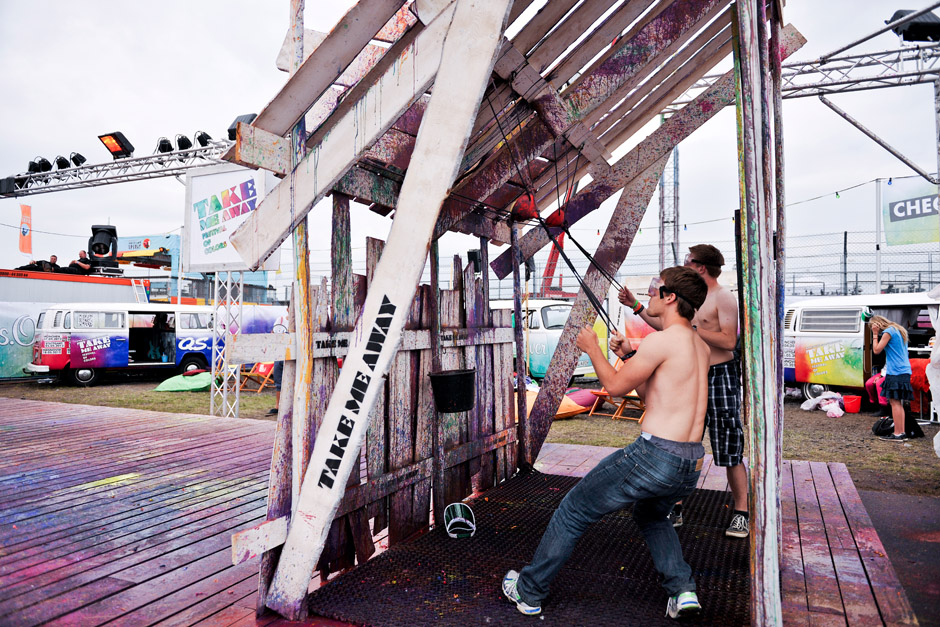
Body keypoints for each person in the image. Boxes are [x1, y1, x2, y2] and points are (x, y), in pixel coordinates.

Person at [502, 266, 710, 619]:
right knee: (652, 513)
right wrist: (629, 356)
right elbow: (651, 396)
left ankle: (529, 591)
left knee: (573, 510)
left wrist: (592, 348)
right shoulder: (699, 346)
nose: (649, 296)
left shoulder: (661, 341)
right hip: (689, 463)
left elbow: (613, 388)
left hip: (655, 454)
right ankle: (683, 591)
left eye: (654, 290)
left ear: (670, 297)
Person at [619, 244, 748, 538]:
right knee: (681, 443)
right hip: (692, 371)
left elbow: (729, 341)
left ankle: (741, 512)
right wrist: (636, 306)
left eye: (688, 261)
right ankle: (674, 506)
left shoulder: (723, 297)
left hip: (721, 375)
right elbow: (667, 325)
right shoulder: (689, 297)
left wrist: (689, 330)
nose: (684, 264)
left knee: (729, 447)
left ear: (701, 267)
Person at [869, 315, 913, 441]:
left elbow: (876, 350)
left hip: (896, 371)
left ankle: (898, 434)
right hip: (904, 370)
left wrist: (875, 334)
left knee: (895, 403)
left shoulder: (888, 332)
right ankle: (901, 432)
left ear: (877, 324)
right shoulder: (898, 329)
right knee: (898, 403)